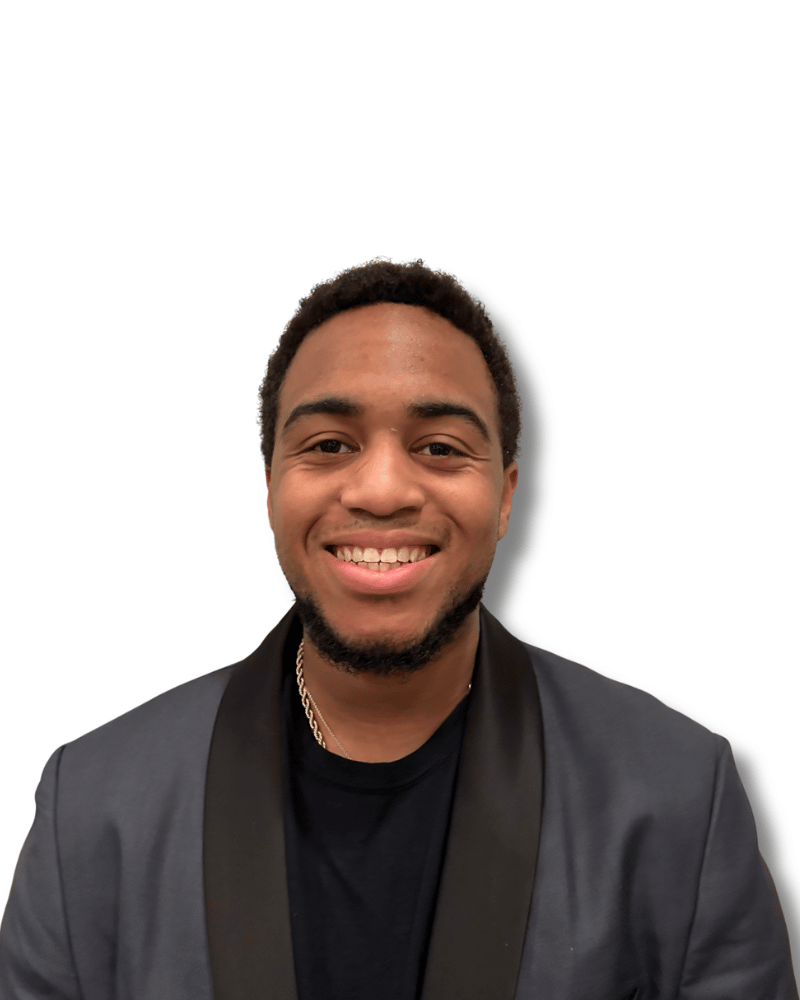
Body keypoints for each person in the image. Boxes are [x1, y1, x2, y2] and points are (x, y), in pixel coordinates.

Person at [0, 259, 796, 999]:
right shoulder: (91, 814)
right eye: (329, 444)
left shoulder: (679, 801)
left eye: (440, 447)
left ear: (506, 496)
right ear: (271, 486)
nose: (381, 489)